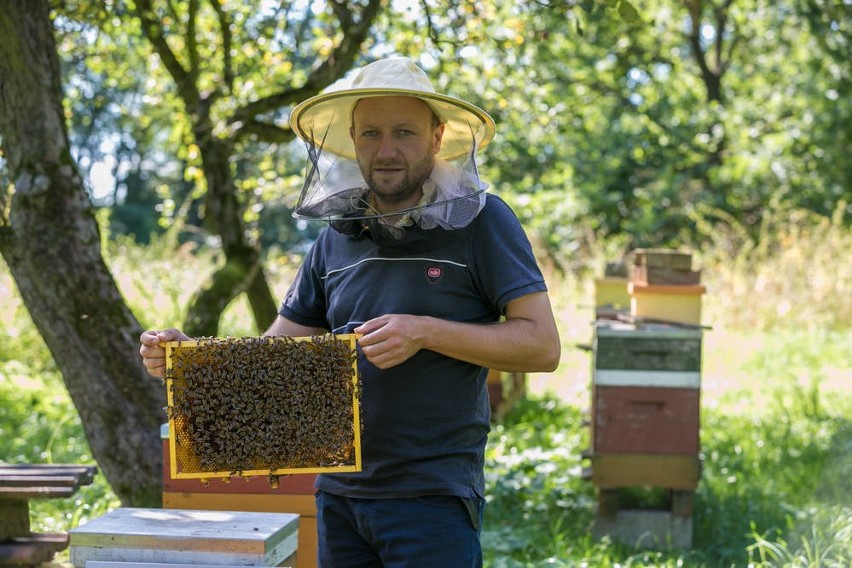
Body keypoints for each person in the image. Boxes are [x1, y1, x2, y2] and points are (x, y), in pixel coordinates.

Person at [140, 56, 560, 567]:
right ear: (353, 140)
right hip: (338, 497)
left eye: (404, 132)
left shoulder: (481, 220)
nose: (386, 150)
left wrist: (425, 331)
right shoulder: (334, 238)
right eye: (371, 134)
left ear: (436, 136)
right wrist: (195, 362)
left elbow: (542, 344)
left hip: (431, 498)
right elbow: (279, 351)